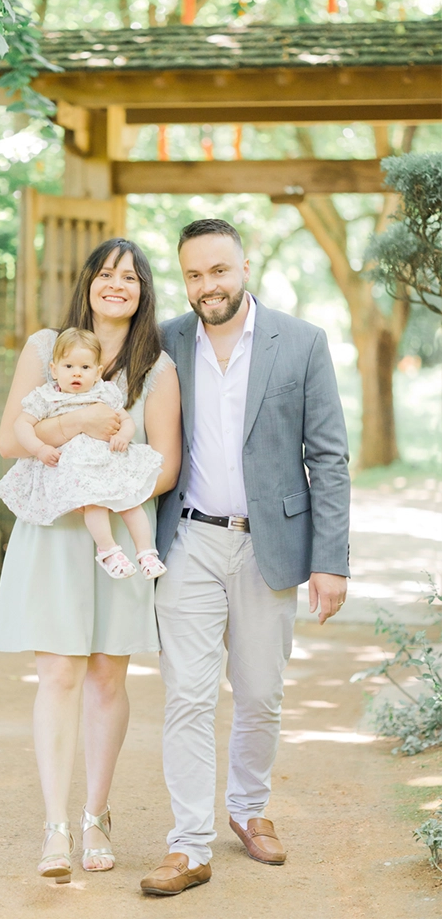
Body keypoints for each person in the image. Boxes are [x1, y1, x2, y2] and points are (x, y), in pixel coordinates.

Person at [140, 218, 350, 896]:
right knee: (187, 698)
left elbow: (329, 458)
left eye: (218, 270)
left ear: (244, 266)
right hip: (189, 539)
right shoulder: (165, 340)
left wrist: (331, 559)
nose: (208, 286)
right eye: (194, 275)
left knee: (260, 694)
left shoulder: (302, 342)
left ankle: (249, 809)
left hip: (271, 543)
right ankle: (188, 844)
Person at [0, 239, 181, 883]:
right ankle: (54, 828)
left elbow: (166, 465)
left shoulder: (157, 367)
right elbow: (8, 438)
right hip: (54, 531)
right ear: (89, 282)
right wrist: (78, 426)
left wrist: (106, 485)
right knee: (59, 677)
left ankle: (96, 814)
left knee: (106, 678)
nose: (116, 284)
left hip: (120, 535)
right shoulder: (46, 348)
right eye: (106, 273)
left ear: (143, 290)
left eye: (129, 276)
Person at [0, 327, 167, 580]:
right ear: (54, 370)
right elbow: (21, 425)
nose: (76, 372)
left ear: (97, 372)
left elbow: (127, 420)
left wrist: (122, 436)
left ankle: (146, 553)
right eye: (68, 366)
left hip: (108, 463)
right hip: (76, 470)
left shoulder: (104, 393)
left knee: (131, 502)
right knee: (94, 505)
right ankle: (109, 551)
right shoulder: (46, 398)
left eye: (85, 368)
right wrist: (39, 448)